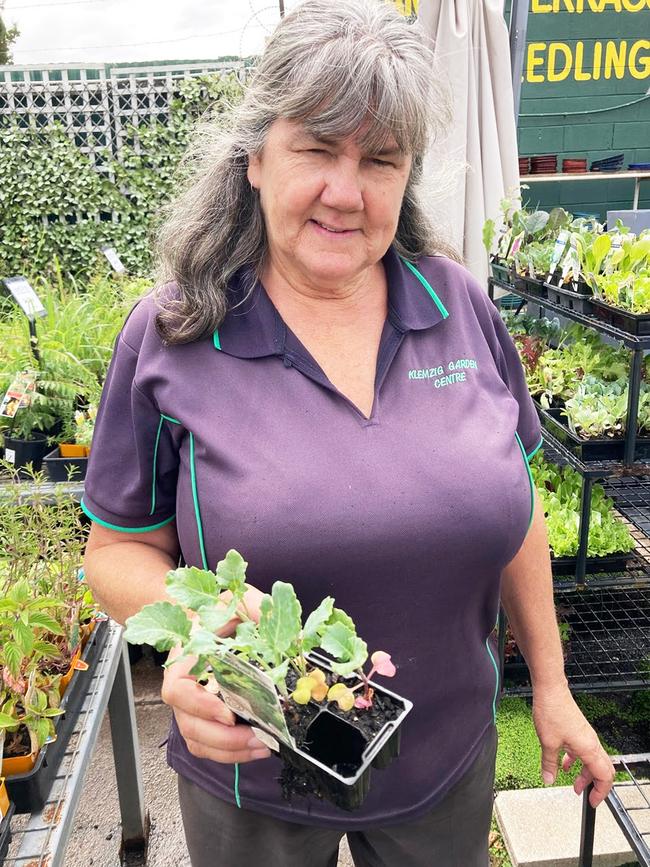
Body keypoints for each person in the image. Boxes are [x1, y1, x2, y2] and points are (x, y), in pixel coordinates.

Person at [82, 2, 615, 865]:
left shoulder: (459, 307)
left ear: (407, 177)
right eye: (317, 148)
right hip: (254, 765)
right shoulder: (174, 334)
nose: (347, 188)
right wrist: (192, 638)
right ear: (255, 157)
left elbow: (518, 509)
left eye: (380, 158)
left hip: (444, 760)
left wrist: (550, 685)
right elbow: (115, 550)